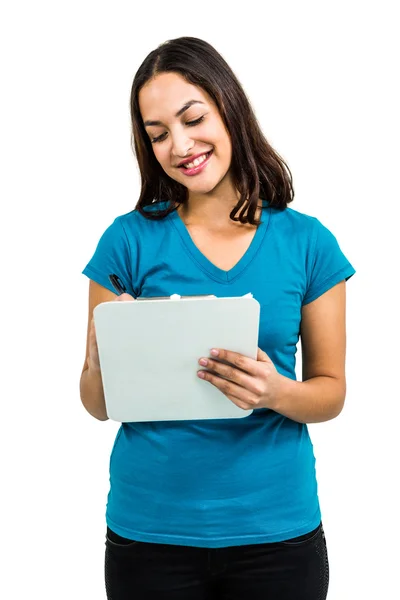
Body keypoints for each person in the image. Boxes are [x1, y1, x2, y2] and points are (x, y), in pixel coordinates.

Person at [80, 36, 355, 600]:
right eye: (157, 134)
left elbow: (330, 393)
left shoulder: (308, 243)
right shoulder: (126, 242)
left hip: (277, 535)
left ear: (228, 107)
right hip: (150, 534)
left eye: (192, 118)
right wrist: (96, 361)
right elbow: (99, 405)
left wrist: (274, 391)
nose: (179, 145)